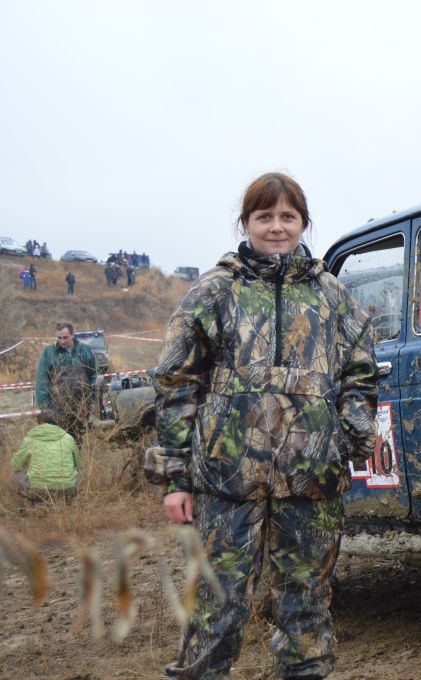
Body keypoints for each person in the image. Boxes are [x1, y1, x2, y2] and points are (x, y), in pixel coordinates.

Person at [144, 172, 379, 679]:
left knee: (307, 602)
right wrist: (175, 478)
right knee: (216, 603)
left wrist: (346, 439)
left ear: (303, 223)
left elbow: (361, 374)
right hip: (226, 480)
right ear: (246, 222)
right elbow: (176, 382)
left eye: (287, 216)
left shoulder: (333, 297)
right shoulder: (214, 291)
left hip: (311, 481)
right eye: (264, 216)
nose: (276, 227)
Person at [35, 322, 97, 444]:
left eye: (65, 337)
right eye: (59, 338)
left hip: (80, 405)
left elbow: (93, 376)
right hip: (57, 407)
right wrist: (44, 406)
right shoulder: (49, 352)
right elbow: (42, 379)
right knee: (59, 441)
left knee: (77, 440)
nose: (62, 341)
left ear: (73, 335)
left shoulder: (84, 350)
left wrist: (92, 401)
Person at [10, 410, 81, 501]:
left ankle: (34, 501)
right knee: (80, 474)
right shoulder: (68, 438)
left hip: (38, 490)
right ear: (58, 422)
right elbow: (78, 465)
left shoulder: (29, 439)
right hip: (67, 490)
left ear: (39, 423)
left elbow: (15, 465)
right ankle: (68, 501)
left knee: (15, 477)